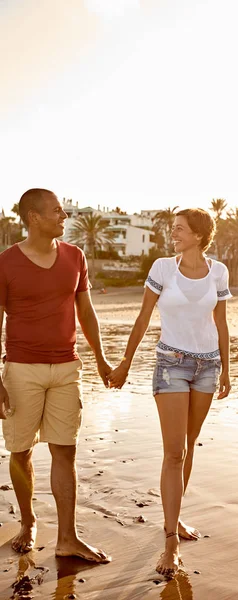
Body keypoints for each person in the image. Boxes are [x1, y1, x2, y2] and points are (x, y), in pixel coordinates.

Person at [108, 208, 232, 578]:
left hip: (207, 367)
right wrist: (125, 362)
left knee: (189, 445)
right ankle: (170, 541)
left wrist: (228, 367)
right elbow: (144, 317)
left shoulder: (220, 272)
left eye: (179, 229)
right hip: (171, 365)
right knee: (174, 451)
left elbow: (222, 323)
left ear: (197, 234)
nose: (172, 233)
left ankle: (175, 520)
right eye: (173, 228)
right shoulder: (163, 268)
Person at [0, 188, 112, 563]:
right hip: (20, 368)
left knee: (66, 450)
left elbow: (87, 311)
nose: (64, 217)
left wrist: (100, 358)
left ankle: (68, 537)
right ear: (33, 217)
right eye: (57, 211)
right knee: (21, 450)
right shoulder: (6, 262)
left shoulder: (75, 257)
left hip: (67, 367)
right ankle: (29, 522)